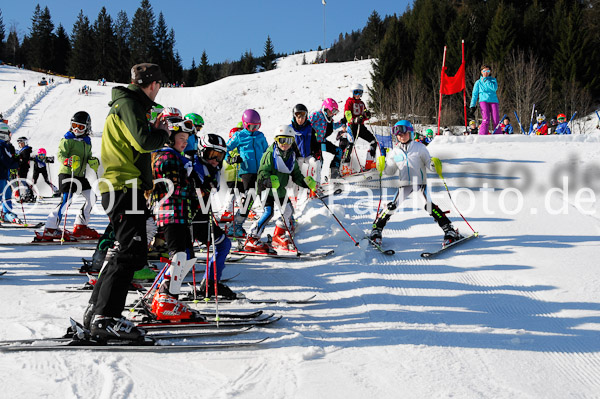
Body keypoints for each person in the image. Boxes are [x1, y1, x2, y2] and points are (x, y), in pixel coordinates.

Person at [85, 63, 169, 341]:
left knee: (125, 249)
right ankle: (105, 317)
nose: (158, 90)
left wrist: (152, 130)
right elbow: (144, 142)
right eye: (159, 85)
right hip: (123, 186)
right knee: (130, 251)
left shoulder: (127, 105)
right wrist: (162, 134)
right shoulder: (130, 105)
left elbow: (136, 141)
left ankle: (96, 311)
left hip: (122, 185)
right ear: (153, 84)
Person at [370, 120, 461, 247]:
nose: (401, 136)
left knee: (428, 206)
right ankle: (377, 229)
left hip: (419, 184)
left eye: (404, 133)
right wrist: (383, 166)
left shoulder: (419, 148)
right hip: (404, 184)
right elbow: (390, 171)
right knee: (392, 206)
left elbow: (429, 163)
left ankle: (449, 230)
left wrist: (434, 165)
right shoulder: (395, 152)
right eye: (399, 135)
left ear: (411, 133)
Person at [149, 116, 205, 320]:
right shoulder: (167, 157)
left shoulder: (176, 157)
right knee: (180, 256)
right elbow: (171, 189)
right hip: (171, 212)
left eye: (187, 138)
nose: (185, 142)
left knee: (186, 257)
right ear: (170, 137)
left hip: (180, 214)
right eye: (181, 137)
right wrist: (192, 187)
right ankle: (167, 300)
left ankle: (165, 293)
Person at [244, 125, 315, 253]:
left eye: (289, 141)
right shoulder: (270, 154)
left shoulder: (291, 156)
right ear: (276, 140)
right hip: (266, 188)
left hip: (280, 189)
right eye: (282, 140)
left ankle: (278, 235)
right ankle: (252, 238)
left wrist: (306, 183)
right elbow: (262, 172)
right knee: (268, 213)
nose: (285, 144)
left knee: (288, 210)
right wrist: (267, 180)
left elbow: (296, 175)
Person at [39, 111, 101, 240]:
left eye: (81, 127)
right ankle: (50, 228)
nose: (76, 129)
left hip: (80, 175)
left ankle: (80, 226)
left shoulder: (87, 141)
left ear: (87, 127)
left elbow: (88, 157)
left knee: (92, 197)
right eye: (74, 125)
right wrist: (67, 161)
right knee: (67, 201)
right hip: (67, 173)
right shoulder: (67, 139)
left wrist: (92, 161)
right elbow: (61, 154)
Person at [191, 134, 238, 299]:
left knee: (224, 244)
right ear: (202, 151)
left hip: (202, 218)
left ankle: (210, 283)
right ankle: (163, 291)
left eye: (220, 156)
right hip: (187, 219)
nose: (215, 160)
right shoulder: (194, 166)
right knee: (183, 256)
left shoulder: (212, 169)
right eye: (212, 155)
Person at [225, 109, 268, 238]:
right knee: (249, 198)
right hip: (247, 171)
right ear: (244, 124)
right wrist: (230, 158)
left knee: (264, 197)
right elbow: (226, 148)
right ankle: (235, 225)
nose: (254, 129)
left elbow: (267, 151)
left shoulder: (260, 136)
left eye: (257, 126)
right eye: (251, 126)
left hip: (260, 171)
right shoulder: (239, 136)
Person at [342, 83, 377, 172]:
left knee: (373, 141)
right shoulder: (349, 102)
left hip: (361, 127)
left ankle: (369, 163)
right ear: (352, 92)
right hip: (352, 127)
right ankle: (345, 167)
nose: (358, 95)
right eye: (356, 92)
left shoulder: (361, 103)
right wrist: (353, 120)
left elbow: (364, 114)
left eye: (360, 93)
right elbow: (347, 113)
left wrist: (367, 115)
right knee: (350, 145)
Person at [308, 98, 345, 181]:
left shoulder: (329, 119)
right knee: (318, 162)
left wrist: (342, 122)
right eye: (331, 111)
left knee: (339, 151)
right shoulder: (316, 115)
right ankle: (314, 182)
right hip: (313, 143)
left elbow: (333, 126)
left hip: (322, 141)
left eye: (335, 112)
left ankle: (334, 173)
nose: (332, 114)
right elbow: (306, 124)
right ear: (325, 108)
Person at [290, 104, 321, 184]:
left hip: (308, 156)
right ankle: (296, 189)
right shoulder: (290, 129)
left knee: (317, 163)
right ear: (294, 117)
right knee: (297, 171)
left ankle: (316, 184)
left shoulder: (310, 128)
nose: (301, 119)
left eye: (303, 117)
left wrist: (317, 153)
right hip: (297, 157)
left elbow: (315, 143)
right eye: (298, 117)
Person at [220, 123, 244, 223]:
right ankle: (227, 211)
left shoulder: (238, 147)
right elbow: (227, 157)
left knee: (240, 192)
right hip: (231, 174)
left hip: (237, 175)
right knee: (233, 192)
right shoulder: (232, 147)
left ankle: (243, 209)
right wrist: (234, 159)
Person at [0, 122, 21, 223]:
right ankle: (6, 213)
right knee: (4, 194)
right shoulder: (2, 145)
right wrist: (17, 162)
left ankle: (7, 213)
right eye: (8, 134)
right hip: (1, 175)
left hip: (3, 175)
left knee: (7, 193)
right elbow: (7, 161)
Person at [469, 64, 499, 135]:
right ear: (481, 72)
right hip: (483, 101)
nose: (486, 72)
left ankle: (498, 134)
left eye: (488, 71)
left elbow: (494, 88)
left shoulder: (493, 80)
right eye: (484, 71)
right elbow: (475, 94)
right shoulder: (478, 82)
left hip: (494, 101)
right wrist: (472, 105)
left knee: (496, 119)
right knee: (486, 118)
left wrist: (487, 81)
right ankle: (483, 134)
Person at [15, 136, 34, 202]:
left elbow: (24, 159)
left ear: (25, 143)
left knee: (22, 180)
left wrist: (19, 161)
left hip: (23, 167)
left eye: (21, 143)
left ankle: (26, 195)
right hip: (22, 167)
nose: (20, 144)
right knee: (22, 180)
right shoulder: (23, 150)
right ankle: (28, 194)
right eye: (19, 143)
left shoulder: (26, 150)